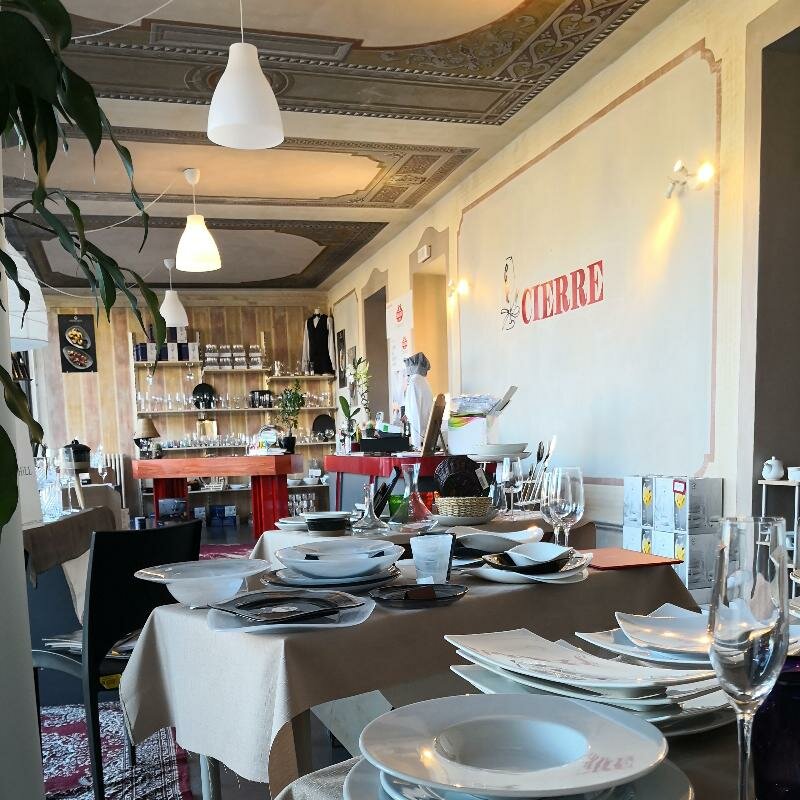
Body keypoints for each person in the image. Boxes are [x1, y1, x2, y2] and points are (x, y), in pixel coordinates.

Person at [402, 352, 433, 449]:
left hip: (419, 438)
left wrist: (415, 444)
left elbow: (415, 414)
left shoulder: (414, 382)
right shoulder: (424, 382)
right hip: (427, 436)